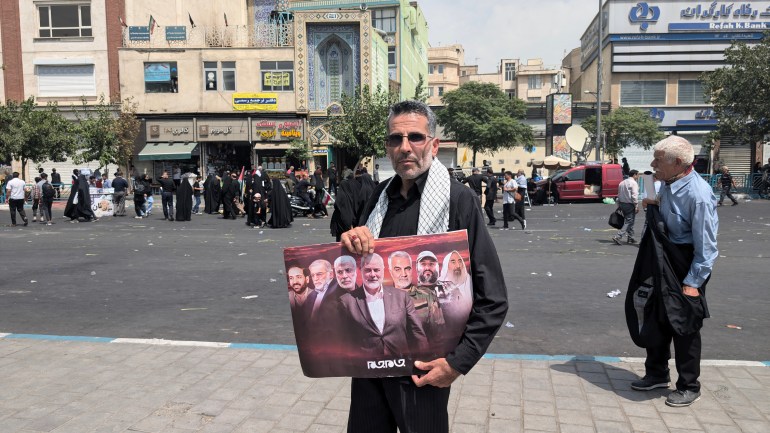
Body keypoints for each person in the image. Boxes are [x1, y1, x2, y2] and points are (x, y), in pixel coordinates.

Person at [339, 100, 508, 432]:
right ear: (387, 147)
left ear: (433, 144)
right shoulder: (378, 197)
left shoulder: (457, 201)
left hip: (423, 368)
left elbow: (493, 297)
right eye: (395, 139)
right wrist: (352, 244)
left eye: (415, 137)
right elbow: (363, 271)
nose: (405, 148)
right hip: (371, 364)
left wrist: (457, 364)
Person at [631, 135, 718, 408]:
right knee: (656, 316)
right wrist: (651, 204)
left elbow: (707, 247)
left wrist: (693, 282)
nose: (652, 163)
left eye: (658, 159)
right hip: (659, 261)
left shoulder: (699, 195)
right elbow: (658, 211)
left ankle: (689, 385)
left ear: (678, 163)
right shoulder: (666, 183)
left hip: (685, 265)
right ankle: (657, 373)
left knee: (684, 325)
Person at [337, 253, 429, 364]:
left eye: (376, 270)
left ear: (383, 270)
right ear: (361, 270)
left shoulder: (401, 296)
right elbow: (344, 340)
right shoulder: (346, 301)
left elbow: (417, 333)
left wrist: (424, 361)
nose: (372, 274)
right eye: (368, 270)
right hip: (366, 369)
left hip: (400, 365)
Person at [388, 251, 444, 348]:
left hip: (422, 358)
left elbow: (439, 335)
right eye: (397, 269)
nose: (404, 274)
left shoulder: (428, 295)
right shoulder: (381, 298)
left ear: (412, 270)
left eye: (407, 269)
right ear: (390, 271)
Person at [613, 169, 640, 245]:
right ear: (634, 175)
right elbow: (634, 195)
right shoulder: (633, 183)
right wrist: (636, 205)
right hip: (629, 204)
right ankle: (618, 236)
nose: (638, 176)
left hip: (622, 203)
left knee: (629, 220)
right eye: (637, 174)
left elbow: (618, 194)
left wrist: (619, 205)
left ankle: (631, 237)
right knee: (629, 221)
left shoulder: (622, 182)